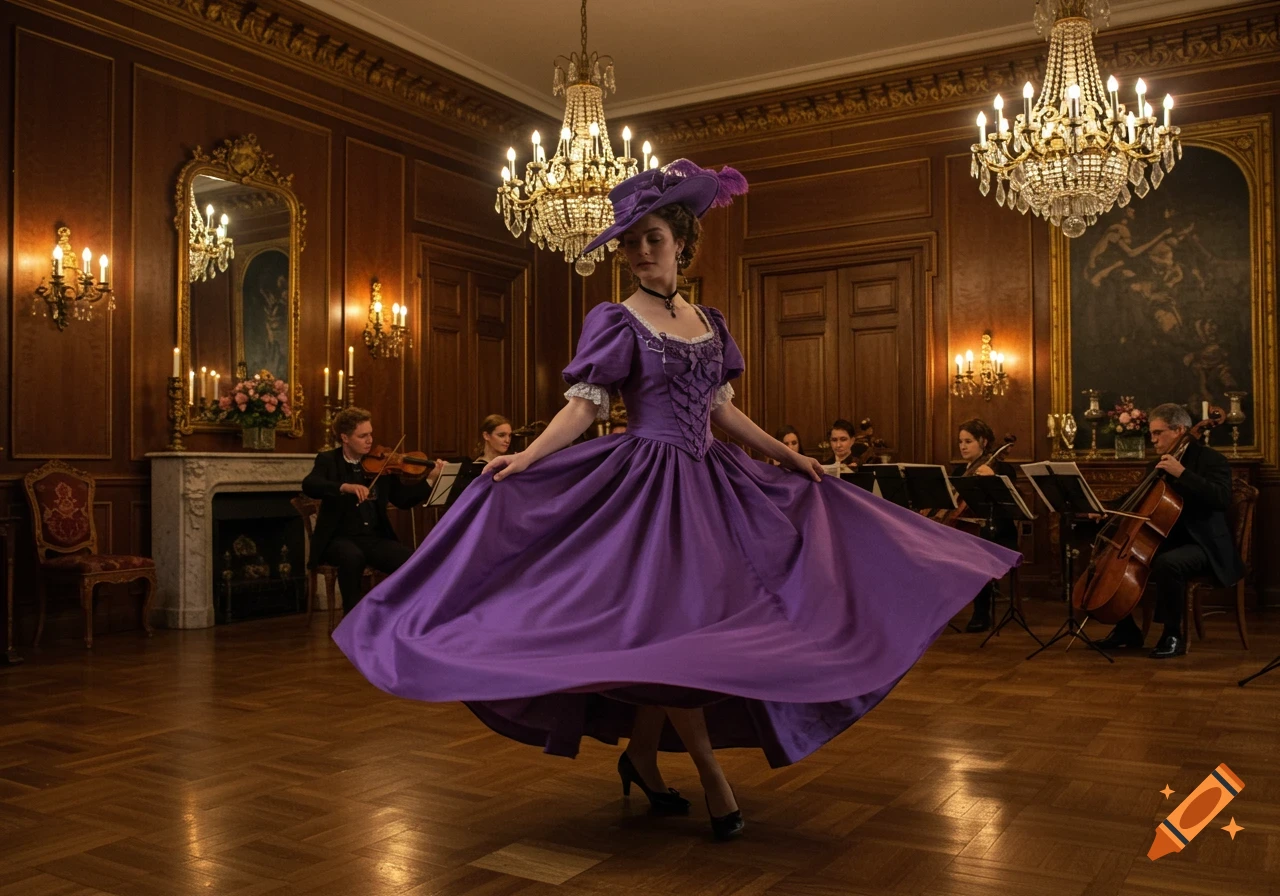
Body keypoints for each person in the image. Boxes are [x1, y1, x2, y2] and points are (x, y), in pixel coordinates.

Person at [332, 159, 1018, 841]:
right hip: (645, 492)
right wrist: (528, 455)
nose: (638, 253)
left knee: (688, 634)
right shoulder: (615, 320)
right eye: (630, 243)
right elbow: (581, 410)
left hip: (712, 486)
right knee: (669, 636)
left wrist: (790, 456)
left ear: (683, 243)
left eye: (651, 239)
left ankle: (639, 756)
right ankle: (713, 779)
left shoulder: (711, 322)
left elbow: (725, 414)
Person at [1093, 403, 1242, 658]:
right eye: (1151, 434)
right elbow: (1134, 499)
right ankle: (1126, 629)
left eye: (1158, 433)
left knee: (1167, 564)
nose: (1153, 440)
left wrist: (1182, 473)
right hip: (1168, 539)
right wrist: (1104, 510)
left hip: (1204, 544)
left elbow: (1221, 498)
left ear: (1180, 430)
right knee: (1118, 557)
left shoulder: (1210, 460)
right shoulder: (1157, 464)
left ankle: (1173, 634)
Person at [302, 407, 444, 613]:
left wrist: (431, 478)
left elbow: (403, 499)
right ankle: (352, 619)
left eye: (370, 434)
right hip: (337, 538)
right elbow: (310, 484)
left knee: (409, 560)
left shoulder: (382, 462)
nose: (370, 440)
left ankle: (400, 616)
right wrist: (344, 487)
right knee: (352, 557)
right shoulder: (328, 460)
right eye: (363, 436)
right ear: (345, 438)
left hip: (372, 538)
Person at [951, 419, 1019, 632]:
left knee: (976, 550)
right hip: (965, 532)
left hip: (997, 534)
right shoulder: (958, 472)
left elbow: (1009, 504)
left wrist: (994, 479)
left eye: (968, 441)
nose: (962, 446)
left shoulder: (1003, 468)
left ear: (983, 441)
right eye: (960, 441)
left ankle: (981, 612)